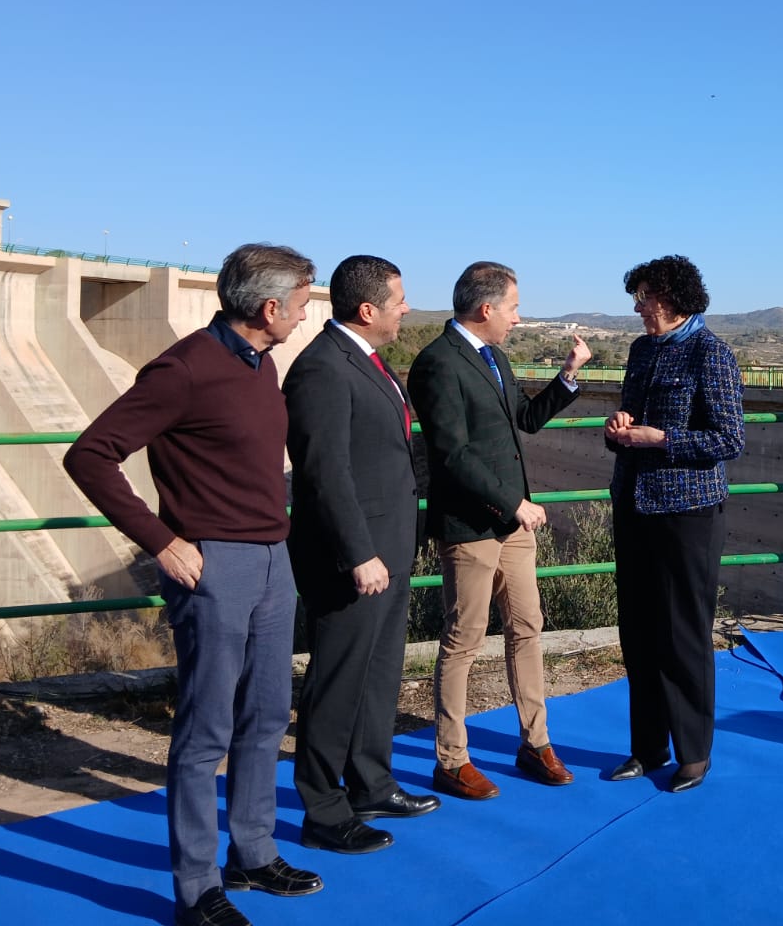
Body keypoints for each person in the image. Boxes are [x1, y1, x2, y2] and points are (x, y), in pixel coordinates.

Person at [63, 243, 321, 926]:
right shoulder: (183, 370)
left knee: (266, 714)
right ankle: (197, 888)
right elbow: (90, 455)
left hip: (273, 559)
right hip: (213, 567)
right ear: (269, 307)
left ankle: (254, 853)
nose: (304, 314)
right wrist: (163, 542)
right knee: (206, 729)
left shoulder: (260, 362)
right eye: (301, 302)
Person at [407, 261, 591, 799]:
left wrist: (569, 376)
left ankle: (536, 743)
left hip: (512, 525)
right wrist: (514, 503)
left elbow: (526, 421)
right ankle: (451, 758)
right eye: (513, 307)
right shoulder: (437, 363)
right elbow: (452, 455)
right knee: (463, 640)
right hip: (470, 526)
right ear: (486, 309)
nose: (517, 317)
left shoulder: (495, 357)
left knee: (526, 629)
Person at [283, 255, 437, 856]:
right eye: (399, 299)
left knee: (379, 674)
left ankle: (371, 782)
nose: (405, 309)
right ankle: (322, 807)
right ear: (367, 309)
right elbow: (325, 473)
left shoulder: (368, 361)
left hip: (389, 548)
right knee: (339, 678)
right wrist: (358, 552)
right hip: (354, 558)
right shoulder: (322, 368)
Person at [603, 255, 744, 794]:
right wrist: (618, 427)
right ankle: (646, 747)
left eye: (643, 297)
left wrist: (661, 439)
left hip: (688, 514)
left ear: (671, 297)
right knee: (637, 632)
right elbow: (628, 425)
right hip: (635, 504)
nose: (637, 308)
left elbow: (729, 440)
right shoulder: (641, 350)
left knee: (683, 633)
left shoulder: (712, 354)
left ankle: (693, 753)